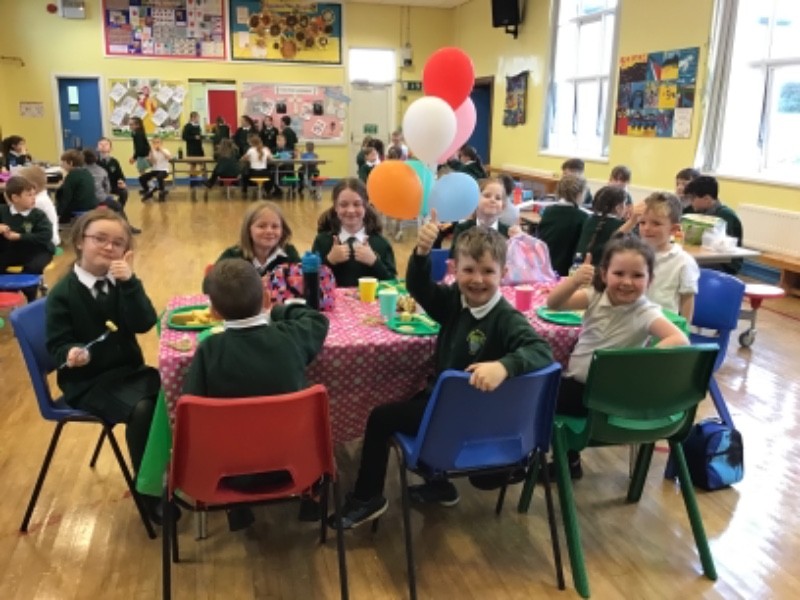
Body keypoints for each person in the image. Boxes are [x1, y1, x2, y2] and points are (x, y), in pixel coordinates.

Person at [332, 219, 554, 529]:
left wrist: (504, 366)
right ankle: (439, 482)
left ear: (504, 274)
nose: (478, 280)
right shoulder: (454, 302)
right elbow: (420, 289)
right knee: (416, 395)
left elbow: (542, 350)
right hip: (454, 409)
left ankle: (368, 497)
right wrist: (422, 253)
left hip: (465, 418)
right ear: (454, 270)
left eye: (488, 271)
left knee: (381, 418)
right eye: (469, 270)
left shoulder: (506, 318)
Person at [185, 258, 330, 530]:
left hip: (228, 474)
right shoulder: (291, 337)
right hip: (297, 465)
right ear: (265, 298)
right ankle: (310, 499)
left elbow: (193, 412)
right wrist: (279, 310)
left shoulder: (208, 351)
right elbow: (317, 319)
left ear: (214, 312)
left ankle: (237, 508)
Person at [45, 210, 163, 522]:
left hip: (129, 373)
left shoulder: (121, 283)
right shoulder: (62, 294)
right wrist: (71, 352)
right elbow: (57, 345)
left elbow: (144, 322)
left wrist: (130, 282)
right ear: (80, 242)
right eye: (100, 239)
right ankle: (148, 491)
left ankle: (168, 469)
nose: (109, 247)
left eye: (118, 243)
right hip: (88, 382)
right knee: (144, 409)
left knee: (179, 392)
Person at [545, 234, 689, 478]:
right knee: (548, 387)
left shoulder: (645, 312)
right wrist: (574, 281)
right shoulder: (594, 296)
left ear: (650, 280)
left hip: (601, 396)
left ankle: (548, 458)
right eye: (619, 273)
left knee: (536, 393)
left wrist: (635, 363)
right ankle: (568, 461)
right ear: (604, 274)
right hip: (586, 391)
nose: (627, 282)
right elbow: (554, 303)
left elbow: (680, 339)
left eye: (637, 275)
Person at [311, 177, 396, 287]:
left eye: (357, 204)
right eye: (343, 205)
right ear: (336, 206)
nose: (351, 210)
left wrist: (374, 262)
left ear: (365, 205)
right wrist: (329, 261)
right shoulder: (322, 241)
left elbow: (392, 284)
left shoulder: (381, 244)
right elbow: (311, 283)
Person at [203, 201, 300, 291]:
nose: (269, 231)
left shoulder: (289, 253)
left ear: (283, 230)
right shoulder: (233, 256)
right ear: (248, 230)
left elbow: (301, 284)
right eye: (261, 226)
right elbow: (208, 286)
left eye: (275, 226)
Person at [639, 192, 699, 320]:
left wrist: (684, 328)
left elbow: (687, 299)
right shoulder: (634, 254)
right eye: (642, 222)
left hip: (665, 324)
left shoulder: (683, 261)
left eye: (656, 223)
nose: (647, 228)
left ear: (673, 229)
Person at [0, 176, 55, 301]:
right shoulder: (2, 211)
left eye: (34, 194)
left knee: (32, 268)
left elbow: (46, 235)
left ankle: (31, 299)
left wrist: (20, 236)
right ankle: (10, 289)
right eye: (29, 195)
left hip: (38, 251)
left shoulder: (38, 215)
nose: (33, 198)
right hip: (12, 251)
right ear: (15, 198)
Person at [683, 175, 744, 275]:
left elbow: (722, 246)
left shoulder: (725, 216)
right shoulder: (698, 210)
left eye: (693, 199)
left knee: (686, 267)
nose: (690, 202)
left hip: (725, 263)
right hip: (705, 255)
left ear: (707, 199)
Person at [448, 177, 519, 258]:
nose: (493, 200)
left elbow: (515, 261)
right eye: (487, 196)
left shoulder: (508, 233)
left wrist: (519, 240)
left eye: (498, 198)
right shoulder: (462, 229)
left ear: (503, 207)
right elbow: (453, 259)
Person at [538, 173, 589, 276]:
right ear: (579, 194)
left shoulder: (548, 211)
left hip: (544, 266)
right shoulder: (582, 217)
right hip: (566, 269)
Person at [575, 185, 638, 267]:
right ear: (618, 208)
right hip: (604, 269)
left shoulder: (588, 220)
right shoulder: (622, 226)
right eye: (625, 204)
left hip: (578, 267)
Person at [17, 165, 59, 247]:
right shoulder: (42, 198)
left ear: (34, 187)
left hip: (46, 242)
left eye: (21, 184)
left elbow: (26, 225)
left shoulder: (37, 202)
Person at [55, 149, 98, 223]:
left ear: (70, 163)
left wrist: (58, 213)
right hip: (92, 206)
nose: (61, 165)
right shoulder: (87, 173)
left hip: (79, 207)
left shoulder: (72, 176)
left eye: (63, 162)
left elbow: (66, 197)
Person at [97, 137, 129, 209]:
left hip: (112, 186)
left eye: (106, 144)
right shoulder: (94, 161)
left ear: (111, 148)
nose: (103, 146)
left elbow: (120, 176)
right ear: (97, 148)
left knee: (124, 192)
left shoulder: (114, 162)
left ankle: (119, 209)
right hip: (99, 188)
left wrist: (121, 181)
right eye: (101, 144)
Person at [138, 137, 171, 202]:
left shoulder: (165, 150)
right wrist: (150, 157)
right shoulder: (152, 152)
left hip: (164, 170)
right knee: (142, 178)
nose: (156, 144)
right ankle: (149, 191)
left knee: (159, 176)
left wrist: (160, 150)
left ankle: (161, 192)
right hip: (155, 170)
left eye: (158, 142)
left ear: (161, 143)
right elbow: (153, 163)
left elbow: (169, 158)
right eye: (154, 143)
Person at [240, 133, 272, 198]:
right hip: (264, 173)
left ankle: (244, 191)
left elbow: (242, 159)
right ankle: (268, 191)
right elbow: (271, 158)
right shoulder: (265, 150)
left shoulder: (250, 150)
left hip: (253, 173)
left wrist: (249, 159)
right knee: (271, 175)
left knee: (244, 175)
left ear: (252, 143)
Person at [128, 117, 151, 194]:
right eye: (129, 124)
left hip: (143, 155)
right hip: (143, 155)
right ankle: (147, 188)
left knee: (142, 173)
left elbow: (139, 148)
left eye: (132, 124)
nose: (130, 126)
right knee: (142, 172)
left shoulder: (138, 134)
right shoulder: (136, 133)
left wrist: (134, 157)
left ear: (137, 125)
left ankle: (149, 188)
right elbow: (138, 147)